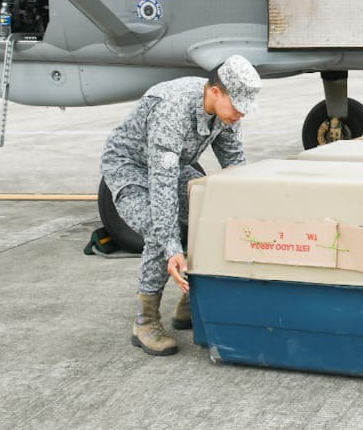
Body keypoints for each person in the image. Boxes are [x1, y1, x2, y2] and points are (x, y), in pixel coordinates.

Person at [100, 55, 261, 356]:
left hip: (173, 166)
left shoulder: (226, 114)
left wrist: (249, 212)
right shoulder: (172, 109)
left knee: (210, 208)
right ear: (216, 92)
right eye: (237, 104)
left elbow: (235, 169)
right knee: (158, 230)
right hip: (130, 167)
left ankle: (193, 298)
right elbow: (162, 185)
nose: (241, 113)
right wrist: (173, 248)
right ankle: (145, 320)